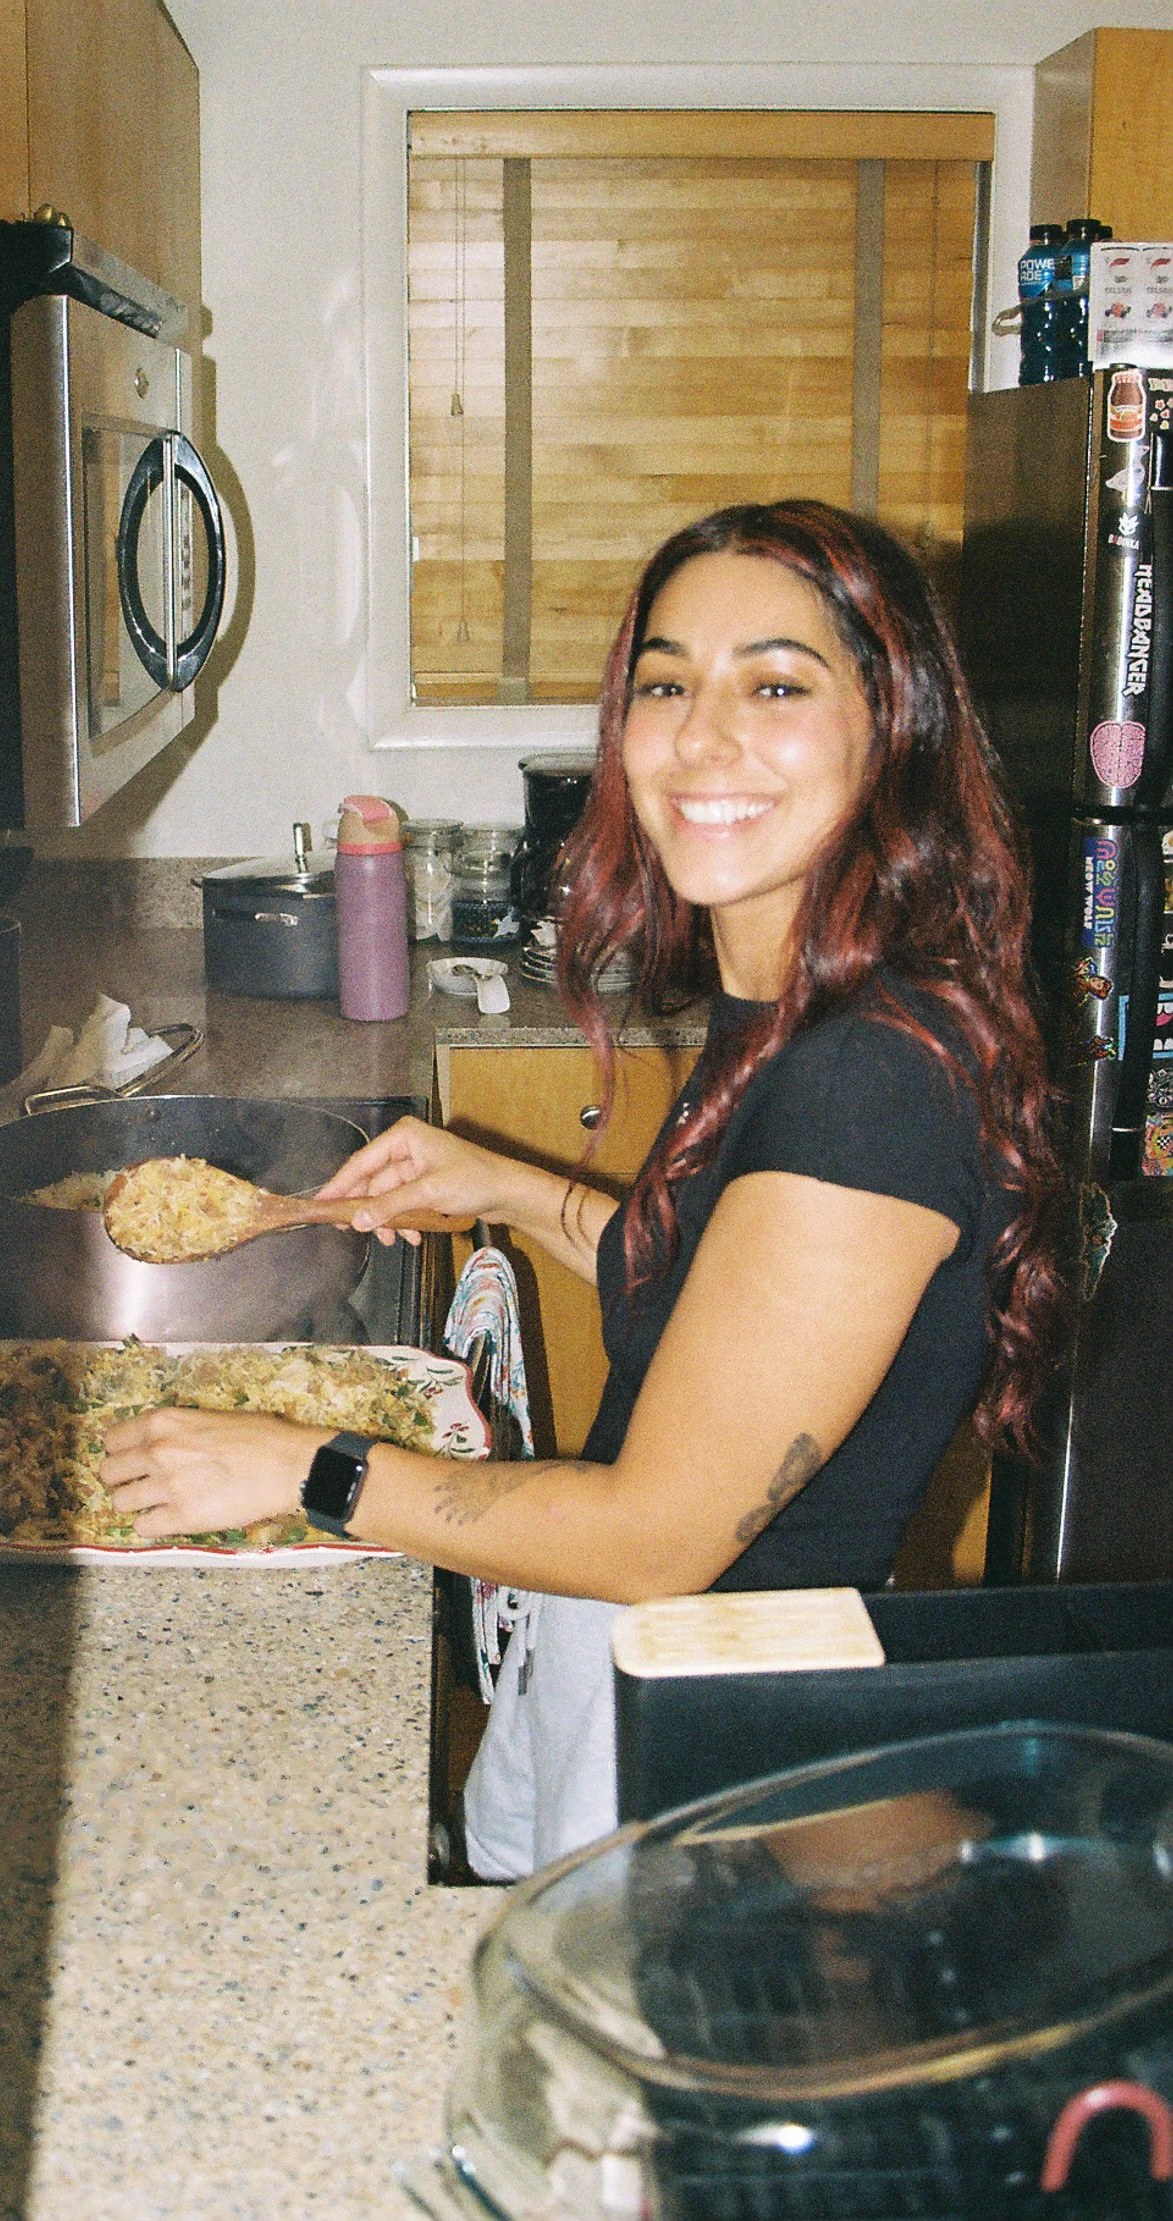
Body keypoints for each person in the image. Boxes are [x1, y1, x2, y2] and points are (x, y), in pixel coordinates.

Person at [101, 500, 1066, 1879]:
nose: (704, 735)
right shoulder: (802, 1004)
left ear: (892, 725)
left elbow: (659, 1533)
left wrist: (300, 1471)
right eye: (667, 683)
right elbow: (731, 1301)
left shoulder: (873, 1082)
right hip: (615, 1653)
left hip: (710, 1741)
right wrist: (508, 1189)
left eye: (777, 684)